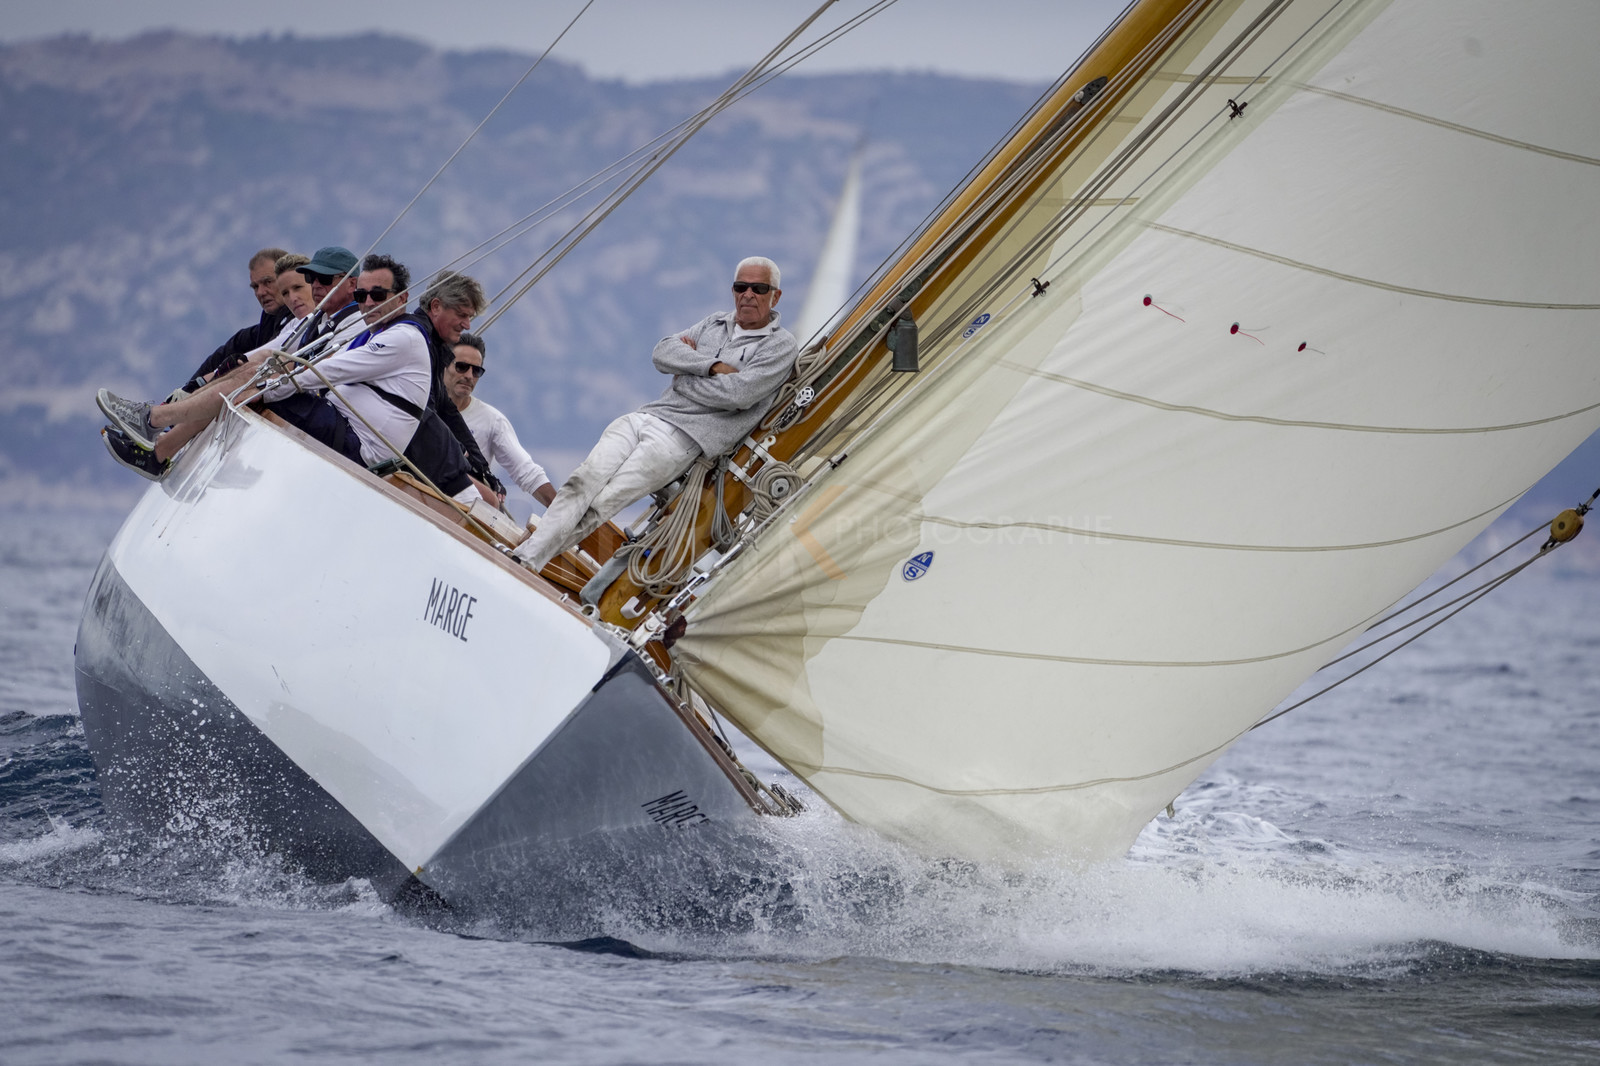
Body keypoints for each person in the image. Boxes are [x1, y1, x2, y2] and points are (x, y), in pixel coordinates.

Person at [512, 257, 797, 573]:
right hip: (647, 416)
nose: (748, 295)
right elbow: (662, 352)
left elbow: (738, 395)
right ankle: (525, 557)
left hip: (684, 439)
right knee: (580, 483)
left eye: (759, 288)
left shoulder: (780, 346)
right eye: (740, 287)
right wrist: (711, 367)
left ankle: (527, 560)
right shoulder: (715, 322)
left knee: (602, 503)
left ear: (775, 296)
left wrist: (684, 375)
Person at [99, 254, 433, 473]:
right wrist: (252, 379)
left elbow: (329, 371)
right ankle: (157, 430)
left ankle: (155, 426)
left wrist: (267, 387)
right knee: (257, 373)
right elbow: (271, 355)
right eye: (363, 296)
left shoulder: (400, 337)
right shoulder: (368, 328)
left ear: (402, 298)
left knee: (258, 383)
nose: (368, 303)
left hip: (362, 445)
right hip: (345, 424)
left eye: (378, 295)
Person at [411, 272, 503, 503]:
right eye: (462, 315)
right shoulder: (414, 340)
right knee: (487, 502)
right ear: (436, 307)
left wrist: (482, 469)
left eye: (477, 371)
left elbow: (447, 412)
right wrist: (462, 459)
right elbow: (425, 413)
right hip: (405, 451)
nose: (467, 324)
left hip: (424, 452)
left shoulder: (435, 347)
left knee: (489, 499)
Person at [446, 332, 557, 507]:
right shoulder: (421, 406)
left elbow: (526, 472)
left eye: (476, 371)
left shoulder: (492, 420)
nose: (469, 375)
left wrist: (564, 514)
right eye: (461, 366)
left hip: (464, 512)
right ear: (444, 364)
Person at [175, 247, 292, 393]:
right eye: (255, 287)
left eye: (268, 282)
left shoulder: (299, 320)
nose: (261, 292)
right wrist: (187, 390)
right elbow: (228, 350)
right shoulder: (265, 326)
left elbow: (268, 354)